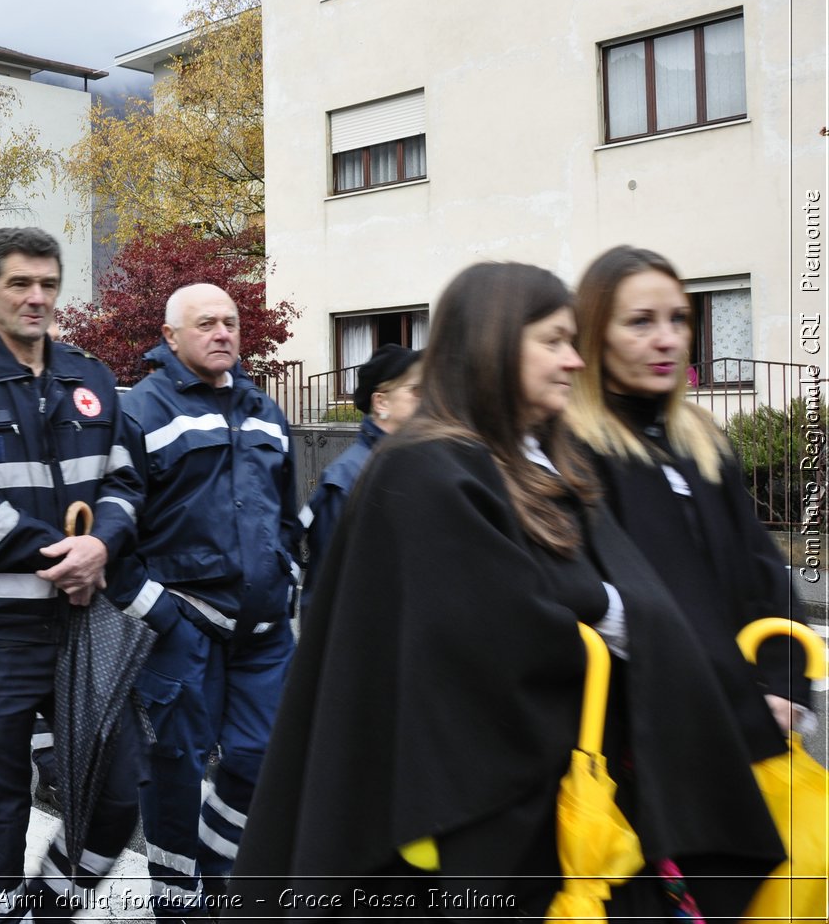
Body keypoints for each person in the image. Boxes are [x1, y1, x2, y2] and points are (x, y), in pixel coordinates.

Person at [226, 262, 783, 919]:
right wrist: (606, 612)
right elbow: (491, 635)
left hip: (568, 807)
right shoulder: (424, 467)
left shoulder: (541, 459)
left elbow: (626, 595)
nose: (575, 360)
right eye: (552, 340)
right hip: (474, 819)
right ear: (492, 344)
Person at [0, 227, 144, 922]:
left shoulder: (91, 376)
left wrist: (100, 544)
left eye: (47, 282)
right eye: (20, 283)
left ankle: (50, 904)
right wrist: (65, 556)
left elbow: (127, 482)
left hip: (84, 625)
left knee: (118, 794)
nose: (36, 296)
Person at [569, 246, 815, 759]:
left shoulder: (700, 439)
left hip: (738, 725)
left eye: (679, 318)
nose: (668, 339)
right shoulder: (573, 451)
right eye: (640, 322)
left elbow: (764, 571)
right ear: (595, 336)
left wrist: (785, 685)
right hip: (644, 748)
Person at [105, 283, 299, 921]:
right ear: (170, 337)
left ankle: (215, 879)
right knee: (176, 770)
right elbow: (114, 526)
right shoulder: (140, 412)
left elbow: (288, 515)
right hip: (182, 627)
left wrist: (292, 573)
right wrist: (154, 609)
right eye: (206, 324)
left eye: (231, 323)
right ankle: (175, 901)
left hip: (265, 632)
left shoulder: (266, 411)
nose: (223, 334)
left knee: (259, 758)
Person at [297, 344, 421, 589]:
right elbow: (327, 590)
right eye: (417, 390)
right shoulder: (345, 480)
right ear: (381, 403)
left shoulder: (417, 465)